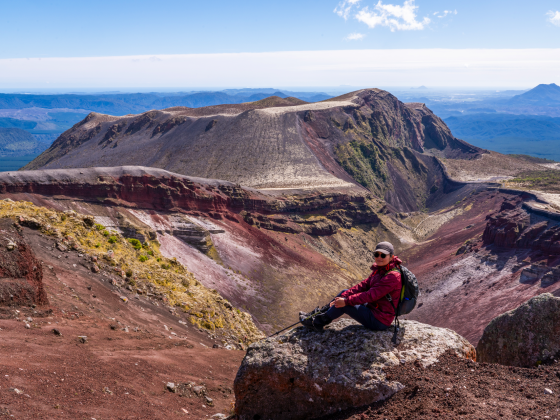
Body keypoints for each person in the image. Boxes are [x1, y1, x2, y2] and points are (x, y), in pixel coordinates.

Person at [299, 241, 402, 332]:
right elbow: (363, 285)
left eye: (383, 255)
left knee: (346, 305)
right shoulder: (380, 270)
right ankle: (319, 313)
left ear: (391, 257)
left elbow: (371, 295)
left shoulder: (392, 276)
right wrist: (343, 297)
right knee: (345, 291)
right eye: (377, 254)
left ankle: (317, 323)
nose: (379, 258)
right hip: (373, 309)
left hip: (379, 320)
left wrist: (346, 301)